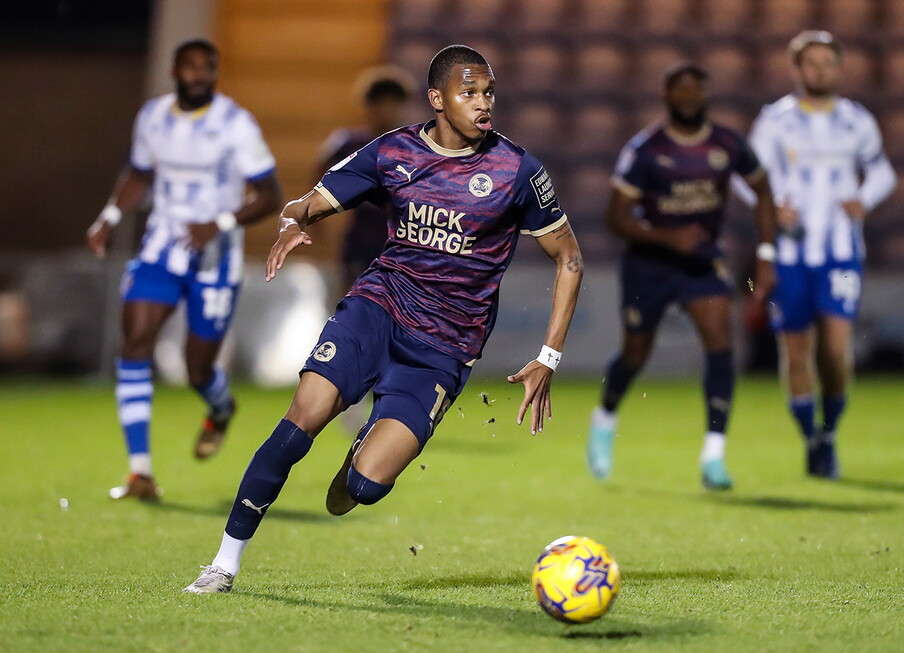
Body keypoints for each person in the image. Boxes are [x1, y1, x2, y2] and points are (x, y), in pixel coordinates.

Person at [183, 44, 583, 594]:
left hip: (445, 346)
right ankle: (223, 564)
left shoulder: (517, 170)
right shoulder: (392, 152)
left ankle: (358, 460)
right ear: (438, 99)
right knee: (304, 415)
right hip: (377, 308)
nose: (483, 103)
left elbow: (569, 258)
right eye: (469, 93)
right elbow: (311, 200)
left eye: (489, 92)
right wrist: (293, 219)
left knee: (368, 486)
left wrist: (548, 355)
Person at [86, 39, 281, 500]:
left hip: (216, 256)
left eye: (207, 68)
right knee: (134, 342)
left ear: (215, 73)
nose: (198, 75)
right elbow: (138, 173)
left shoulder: (235, 124)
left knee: (197, 370)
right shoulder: (152, 117)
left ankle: (220, 406)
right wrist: (110, 217)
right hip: (162, 247)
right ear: (175, 70)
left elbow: (270, 195)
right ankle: (140, 473)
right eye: (190, 67)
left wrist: (221, 223)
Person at [586, 62, 777, 490]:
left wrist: (766, 253)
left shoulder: (727, 144)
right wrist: (670, 237)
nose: (689, 97)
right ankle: (605, 416)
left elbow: (763, 188)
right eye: (681, 90)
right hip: (649, 263)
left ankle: (714, 455)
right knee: (635, 354)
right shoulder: (646, 150)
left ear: (708, 95)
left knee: (720, 345)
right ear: (667, 97)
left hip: (701, 262)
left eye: (697, 90)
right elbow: (615, 218)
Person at [738, 31, 896, 478]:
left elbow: (883, 171)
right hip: (789, 254)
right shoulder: (775, 121)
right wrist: (769, 206)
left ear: (839, 68)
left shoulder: (856, 120)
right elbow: (744, 177)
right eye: (812, 63)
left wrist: (864, 198)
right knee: (795, 350)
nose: (820, 70)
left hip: (841, 252)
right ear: (797, 69)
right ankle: (812, 439)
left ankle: (830, 431)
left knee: (835, 346)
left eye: (829, 62)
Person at [315, 67, 414, 435]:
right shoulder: (348, 143)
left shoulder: (413, 145)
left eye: (394, 105)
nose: (387, 112)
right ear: (368, 107)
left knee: (394, 334)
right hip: (359, 250)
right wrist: (319, 226)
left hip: (403, 254)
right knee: (352, 328)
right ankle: (347, 401)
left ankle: (381, 408)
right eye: (381, 104)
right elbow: (321, 178)